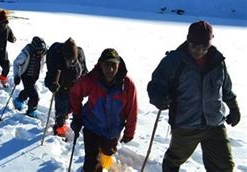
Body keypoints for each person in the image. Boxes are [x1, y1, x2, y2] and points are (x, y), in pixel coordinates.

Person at [147, 20, 240, 172]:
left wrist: (234, 108)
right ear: (188, 41)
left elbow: (226, 89)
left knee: (224, 167)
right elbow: (156, 84)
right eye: (194, 45)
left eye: (204, 47)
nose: (198, 50)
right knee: (173, 161)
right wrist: (159, 98)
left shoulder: (217, 61)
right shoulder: (174, 61)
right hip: (185, 124)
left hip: (214, 123)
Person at [70, 48, 138, 172]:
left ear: (119, 65)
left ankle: (102, 165)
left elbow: (132, 109)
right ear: (101, 65)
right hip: (92, 127)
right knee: (91, 163)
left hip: (113, 130)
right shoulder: (92, 79)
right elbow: (75, 93)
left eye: (114, 65)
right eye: (107, 65)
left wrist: (129, 132)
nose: (110, 69)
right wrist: (77, 116)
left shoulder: (127, 84)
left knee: (106, 154)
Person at [44, 37, 88, 137]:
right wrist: (52, 85)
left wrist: (85, 86)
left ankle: (65, 114)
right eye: (68, 60)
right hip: (60, 86)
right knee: (61, 109)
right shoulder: (55, 56)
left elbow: (85, 72)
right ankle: (59, 128)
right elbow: (49, 76)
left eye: (73, 60)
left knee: (71, 107)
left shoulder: (80, 54)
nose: (70, 63)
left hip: (74, 87)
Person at [13, 36, 47, 118]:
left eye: (41, 50)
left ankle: (18, 101)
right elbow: (16, 63)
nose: (40, 52)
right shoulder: (26, 53)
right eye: (38, 50)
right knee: (34, 96)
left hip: (35, 76)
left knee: (28, 90)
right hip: (26, 76)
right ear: (34, 48)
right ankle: (31, 111)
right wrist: (16, 76)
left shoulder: (42, 52)